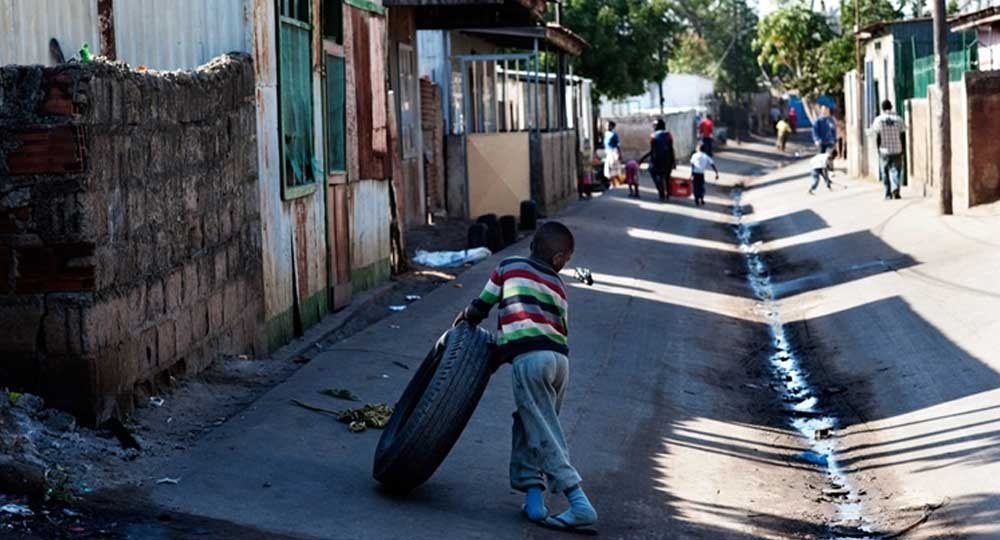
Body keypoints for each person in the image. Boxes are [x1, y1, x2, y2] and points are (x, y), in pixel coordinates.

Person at [454, 222, 597, 534]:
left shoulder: (508, 266)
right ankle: (533, 501)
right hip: (560, 362)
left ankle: (579, 502)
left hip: (530, 361)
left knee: (542, 430)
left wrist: (467, 320)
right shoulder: (559, 286)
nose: (567, 264)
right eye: (568, 258)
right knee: (529, 423)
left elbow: (483, 304)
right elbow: (561, 328)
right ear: (558, 258)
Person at [870, 99, 907, 200]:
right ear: (891, 107)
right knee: (896, 170)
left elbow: (878, 136)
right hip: (897, 149)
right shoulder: (898, 119)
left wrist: (878, 148)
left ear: (882, 108)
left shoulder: (878, 120)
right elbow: (903, 134)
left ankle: (887, 193)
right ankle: (895, 188)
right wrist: (903, 148)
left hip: (884, 150)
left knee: (884, 171)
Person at [639, 119, 677, 201]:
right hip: (668, 159)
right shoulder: (668, 135)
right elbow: (671, 148)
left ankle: (661, 193)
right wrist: (673, 161)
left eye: (654, 125)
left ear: (657, 126)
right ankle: (668, 195)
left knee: (655, 174)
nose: (653, 127)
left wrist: (643, 159)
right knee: (667, 177)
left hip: (657, 160)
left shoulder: (653, 136)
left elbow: (653, 150)